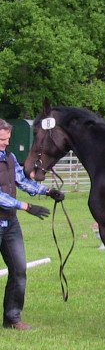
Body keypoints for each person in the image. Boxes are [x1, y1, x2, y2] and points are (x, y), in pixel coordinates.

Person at [0, 119, 65, 330]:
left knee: (19, 271)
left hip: (10, 223)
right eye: (2, 139)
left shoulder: (9, 158)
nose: (5, 143)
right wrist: (26, 206)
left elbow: (22, 181)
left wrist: (47, 191)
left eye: (7, 139)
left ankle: (12, 318)